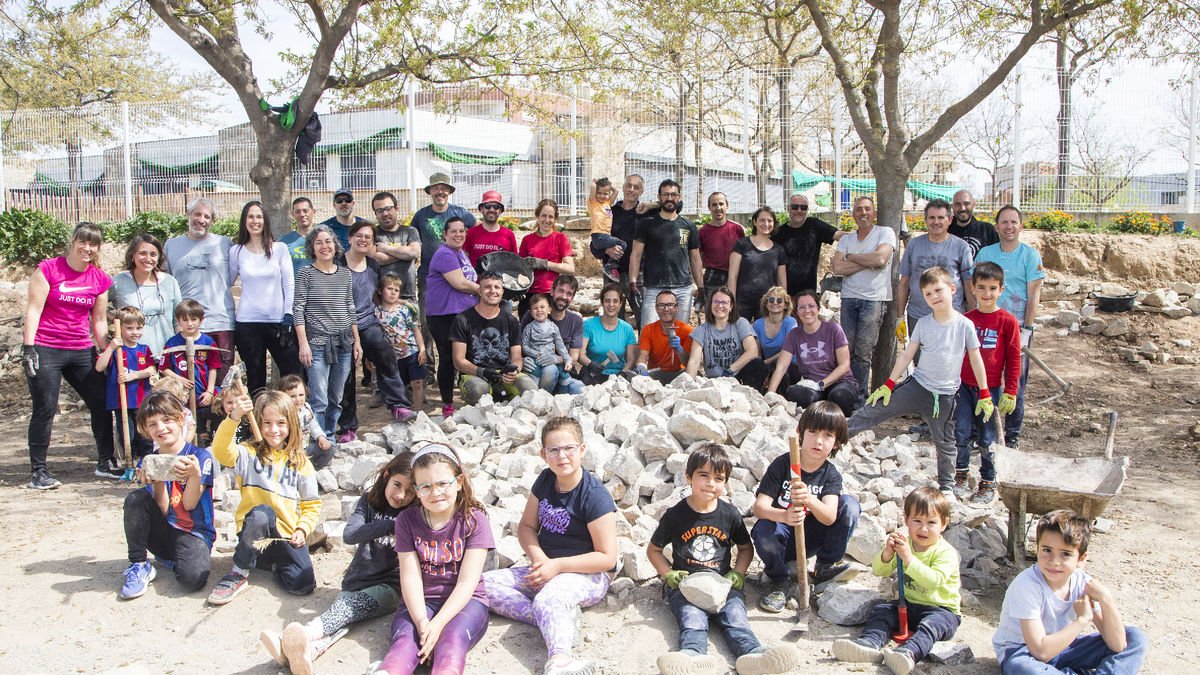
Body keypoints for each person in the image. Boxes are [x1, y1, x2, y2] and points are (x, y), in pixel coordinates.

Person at [650, 444, 801, 675]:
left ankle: (754, 656)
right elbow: (653, 550)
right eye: (703, 475)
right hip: (687, 586)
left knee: (736, 618)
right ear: (688, 477)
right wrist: (668, 574)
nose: (711, 483)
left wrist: (738, 573)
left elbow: (745, 548)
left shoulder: (729, 514)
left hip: (723, 583)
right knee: (692, 621)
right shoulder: (676, 515)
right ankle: (692, 658)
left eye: (718, 478)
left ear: (726, 483)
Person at [485, 417, 617, 675]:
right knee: (481, 586)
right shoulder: (546, 480)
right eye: (553, 450)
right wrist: (539, 560)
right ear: (543, 454)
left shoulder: (594, 495)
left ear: (582, 449)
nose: (562, 456)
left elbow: (607, 558)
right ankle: (559, 620)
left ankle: (560, 660)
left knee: (548, 598)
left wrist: (556, 567)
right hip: (546, 566)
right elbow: (526, 527)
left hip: (586, 574)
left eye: (569, 448)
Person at [262, 452, 416, 674]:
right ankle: (309, 651)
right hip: (356, 579)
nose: (401, 495)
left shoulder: (413, 515)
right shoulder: (370, 500)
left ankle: (300, 636)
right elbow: (350, 534)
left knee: (347, 609)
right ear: (386, 475)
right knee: (343, 615)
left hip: (390, 587)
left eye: (410, 490)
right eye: (397, 485)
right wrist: (389, 526)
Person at [848, 267, 993, 494]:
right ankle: (836, 440)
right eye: (928, 294)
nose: (934, 297)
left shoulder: (964, 324)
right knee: (874, 410)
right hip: (917, 386)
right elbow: (907, 355)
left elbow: (976, 359)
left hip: (944, 396)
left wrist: (984, 392)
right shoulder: (924, 323)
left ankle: (946, 487)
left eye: (938, 290)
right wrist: (889, 383)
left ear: (952, 289)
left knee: (945, 441)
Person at [381, 443, 494, 675]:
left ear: (459, 482)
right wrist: (423, 623)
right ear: (417, 489)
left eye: (443, 483)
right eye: (425, 486)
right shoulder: (406, 521)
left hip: (467, 602)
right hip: (420, 603)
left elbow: (466, 583)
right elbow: (410, 577)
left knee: (450, 643)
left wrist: (437, 625)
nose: (435, 493)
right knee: (404, 645)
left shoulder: (475, 520)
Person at [992, 510, 1146, 675]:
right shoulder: (1027, 586)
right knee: (1023, 668)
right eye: (1047, 550)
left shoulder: (1082, 582)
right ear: (1036, 549)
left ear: (1081, 559)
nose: (1054, 561)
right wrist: (1082, 620)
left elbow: (1117, 645)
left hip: (1064, 648)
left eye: (1065, 554)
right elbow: (1040, 652)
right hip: (1023, 652)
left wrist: (1106, 598)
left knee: (1134, 638)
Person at [23, 221, 116, 488]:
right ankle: (38, 472)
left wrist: (107, 349)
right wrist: (29, 348)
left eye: (93, 244)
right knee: (45, 408)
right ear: (73, 241)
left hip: (80, 348)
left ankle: (105, 463)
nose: (87, 248)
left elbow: (98, 321)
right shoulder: (48, 269)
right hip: (46, 346)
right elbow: (33, 310)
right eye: (83, 242)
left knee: (101, 402)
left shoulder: (99, 279)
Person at [207, 390, 320, 605]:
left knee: (303, 583)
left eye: (280, 423)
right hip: (254, 530)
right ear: (257, 422)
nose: (273, 430)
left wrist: (302, 528)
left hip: (285, 533)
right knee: (261, 514)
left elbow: (311, 504)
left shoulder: (300, 462)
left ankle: (269, 563)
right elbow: (220, 450)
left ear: (291, 424)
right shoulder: (248, 453)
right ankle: (239, 572)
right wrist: (234, 417)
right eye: (266, 423)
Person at [832, 487, 961, 675]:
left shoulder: (945, 552)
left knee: (931, 626)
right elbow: (878, 570)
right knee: (882, 611)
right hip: (907, 605)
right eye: (917, 521)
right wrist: (887, 553)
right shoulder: (904, 544)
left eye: (931, 522)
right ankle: (870, 643)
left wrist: (909, 558)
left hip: (942, 610)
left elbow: (933, 582)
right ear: (907, 519)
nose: (923, 528)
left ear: (943, 524)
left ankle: (909, 653)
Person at [752, 402, 861, 613]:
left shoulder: (830, 475)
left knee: (849, 505)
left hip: (812, 537)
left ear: (837, 443)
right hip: (781, 536)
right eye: (813, 432)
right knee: (763, 529)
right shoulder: (783, 464)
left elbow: (830, 517)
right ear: (800, 432)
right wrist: (784, 516)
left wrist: (809, 499)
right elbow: (760, 507)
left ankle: (825, 567)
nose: (819, 441)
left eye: (828, 436)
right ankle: (779, 580)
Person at [118, 391, 216, 599]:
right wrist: (158, 479)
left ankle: (176, 560)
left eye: (166, 420)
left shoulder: (199, 456)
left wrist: (195, 475)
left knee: (193, 580)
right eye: (152, 424)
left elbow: (189, 505)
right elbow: (163, 510)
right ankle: (139, 563)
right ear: (146, 429)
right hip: (164, 529)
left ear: (181, 419)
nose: (160, 428)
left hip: (193, 532)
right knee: (136, 499)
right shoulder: (149, 461)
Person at [338, 221, 417, 441]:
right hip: (342, 326)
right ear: (350, 238)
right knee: (346, 374)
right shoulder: (338, 265)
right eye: (359, 236)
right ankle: (347, 427)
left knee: (384, 353)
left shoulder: (373, 265)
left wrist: (402, 304)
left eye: (368, 238)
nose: (363, 240)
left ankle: (398, 405)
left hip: (368, 323)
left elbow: (377, 295)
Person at [975, 205, 1045, 449]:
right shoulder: (985, 254)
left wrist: (1027, 328)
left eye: (1014, 222)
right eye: (1004, 222)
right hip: (988, 327)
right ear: (997, 226)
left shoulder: (1030, 256)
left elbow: (1033, 295)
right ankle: (985, 432)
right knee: (986, 378)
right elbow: (977, 291)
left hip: (1016, 327)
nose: (1009, 227)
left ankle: (1012, 435)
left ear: (1021, 226)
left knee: (1015, 382)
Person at [954, 262, 1021, 504]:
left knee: (987, 437)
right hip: (963, 386)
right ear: (973, 289)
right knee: (961, 432)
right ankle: (960, 476)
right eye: (981, 288)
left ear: (1001, 289)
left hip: (990, 389)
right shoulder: (966, 320)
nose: (987, 293)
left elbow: (1014, 358)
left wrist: (1010, 391)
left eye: (993, 288)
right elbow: (955, 353)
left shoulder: (1007, 321)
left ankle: (988, 482)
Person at [292, 225, 360, 437]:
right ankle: (318, 439)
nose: (324, 246)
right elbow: (298, 309)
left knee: (336, 398)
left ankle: (330, 435)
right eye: (319, 242)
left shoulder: (345, 274)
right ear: (312, 247)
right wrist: (303, 344)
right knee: (319, 399)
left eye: (328, 241)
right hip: (318, 344)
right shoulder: (306, 273)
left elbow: (350, 308)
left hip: (344, 344)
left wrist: (357, 341)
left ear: (335, 245)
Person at [228, 200, 302, 394]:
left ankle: (293, 419)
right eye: (250, 217)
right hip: (248, 323)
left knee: (292, 375)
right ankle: (259, 422)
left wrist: (288, 315)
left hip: (278, 322)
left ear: (265, 220)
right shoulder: (236, 251)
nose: (255, 221)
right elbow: (226, 281)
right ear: (244, 220)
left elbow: (289, 283)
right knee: (255, 379)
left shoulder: (279, 249)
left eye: (259, 216)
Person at [412, 173, 477, 379]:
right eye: (435, 188)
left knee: (459, 325)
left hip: (458, 275)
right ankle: (429, 368)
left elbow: (474, 233)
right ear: (430, 191)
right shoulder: (421, 216)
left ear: (449, 191)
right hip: (429, 278)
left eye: (444, 188)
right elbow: (414, 240)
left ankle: (459, 369)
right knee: (427, 322)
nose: (440, 192)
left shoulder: (461, 214)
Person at [164, 197, 236, 383]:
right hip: (187, 323)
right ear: (188, 214)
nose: (202, 220)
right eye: (197, 214)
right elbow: (168, 282)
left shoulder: (224, 244)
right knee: (191, 378)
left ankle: (222, 413)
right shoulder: (172, 245)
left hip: (220, 321)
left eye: (207, 216)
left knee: (222, 380)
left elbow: (232, 276)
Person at [831, 196, 896, 390]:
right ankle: (846, 392)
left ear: (875, 213)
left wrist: (851, 257)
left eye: (867, 209)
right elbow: (837, 268)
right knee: (846, 349)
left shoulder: (885, 233)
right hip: (849, 298)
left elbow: (880, 259)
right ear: (853, 214)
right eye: (859, 209)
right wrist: (868, 262)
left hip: (874, 300)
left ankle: (859, 396)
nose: (863, 213)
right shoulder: (847, 239)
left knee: (863, 352)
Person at [767, 290, 859, 416]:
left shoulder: (833, 329)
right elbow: (781, 367)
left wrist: (821, 384)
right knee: (795, 394)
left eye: (811, 306)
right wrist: (769, 396)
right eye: (802, 307)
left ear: (818, 309)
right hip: (812, 384)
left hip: (840, 382)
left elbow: (844, 365)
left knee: (839, 397)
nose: (807, 310)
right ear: (797, 312)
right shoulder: (794, 335)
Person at [450, 273, 536, 405]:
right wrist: (480, 371)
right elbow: (458, 360)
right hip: (474, 373)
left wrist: (515, 370)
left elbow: (517, 357)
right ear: (479, 290)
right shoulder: (462, 319)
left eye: (497, 287)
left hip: (504, 373)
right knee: (478, 389)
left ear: (502, 291)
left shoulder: (511, 321)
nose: (493, 291)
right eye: (488, 287)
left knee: (530, 388)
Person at [627, 179, 703, 327]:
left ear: (679, 197)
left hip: (683, 289)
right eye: (666, 194)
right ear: (659, 197)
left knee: (679, 335)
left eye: (673, 195)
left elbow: (695, 258)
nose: (669, 198)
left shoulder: (689, 226)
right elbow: (635, 255)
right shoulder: (646, 224)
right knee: (649, 333)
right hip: (653, 288)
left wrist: (701, 288)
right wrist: (633, 283)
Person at [896, 199, 975, 341]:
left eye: (941, 217)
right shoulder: (914, 245)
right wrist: (899, 317)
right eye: (932, 217)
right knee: (920, 361)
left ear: (950, 220)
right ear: (925, 220)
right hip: (918, 316)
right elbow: (904, 283)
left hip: (952, 316)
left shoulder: (961, 247)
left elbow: (968, 284)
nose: (936, 222)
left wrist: (974, 316)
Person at [425, 217, 479, 418]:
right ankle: (447, 404)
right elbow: (460, 283)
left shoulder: (461, 253)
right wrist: (485, 290)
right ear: (444, 234)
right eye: (453, 231)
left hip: (462, 314)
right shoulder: (445, 254)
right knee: (448, 358)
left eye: (462, 231)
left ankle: (468, 397)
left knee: (467, 357)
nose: (458, 235)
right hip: (444, 315)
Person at [96, 306, 156, 460]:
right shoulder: (116, 350)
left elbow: (151, 370)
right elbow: (99, 367)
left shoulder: (144, 349)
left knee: (144, 433)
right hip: (121, 401)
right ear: (119, 328)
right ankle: (130, 461)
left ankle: (146, 461)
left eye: (139, 328)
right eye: (129, 328)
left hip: (141, 399)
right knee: (126, 434)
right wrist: (111, 347)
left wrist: (134, 376)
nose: (135, 332)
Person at [110, 232, 182, 357]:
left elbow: (178, 321)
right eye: (142, 253)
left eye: (153, 254)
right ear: (133, 255)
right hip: (134, 357)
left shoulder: (170, 282)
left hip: (167, 355)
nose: (148, 259)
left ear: (159, 257)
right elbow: (96, 308)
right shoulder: (119, 281)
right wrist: (117, 319)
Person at [159, 299, 223, 439]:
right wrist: (179, 379)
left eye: (194, 319)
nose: (190, 324)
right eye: (185, 320)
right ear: (178, 320)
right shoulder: (172, 343)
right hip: (182, 397)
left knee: (219, 412)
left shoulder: (208, 342)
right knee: (192, 429)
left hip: (204, 394)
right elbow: (164, 369)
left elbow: (213, 367)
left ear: (201, 320)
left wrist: (210, 391)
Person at [592, 174, 649, 328]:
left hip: (639, 275)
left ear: (642, 191)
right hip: (612, 275)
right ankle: (619, 352)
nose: (631, 190)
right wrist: (606, 250)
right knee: (614, 319)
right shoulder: (610, 211)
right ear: (623, 187)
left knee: (643, 318)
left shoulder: (646, 214)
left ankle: (642, 352)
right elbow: (595, 242)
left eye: (636, 187)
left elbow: (678, 206)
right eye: (628, 185)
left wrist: (653, 205)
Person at [685, 288, 769, 392]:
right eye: (716, 301)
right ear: (710, 304)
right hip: (715, 383)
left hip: (739, 378)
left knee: (758, 364)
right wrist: (687, 386)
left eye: (724, 302)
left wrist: (729, 371)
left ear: (731, 306)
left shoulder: (741, 323)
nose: (720, 305)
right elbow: (694, 361)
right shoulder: (701, 330)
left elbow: (752, 351)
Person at [772, 193, 844, 297]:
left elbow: (839, 235)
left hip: (809, 293)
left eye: (803, 207)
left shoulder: (815, 225)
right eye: (795, 207)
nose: (799, 211)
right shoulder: (778, 234)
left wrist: (865, 235)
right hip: (785, 293)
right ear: (788, 208)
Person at [375, 273, 428, 411]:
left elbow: (415, 329)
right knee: (400, 384)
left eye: (396, 290)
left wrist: (422, 349)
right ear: (381, 291)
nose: (393, 293)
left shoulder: (405, 310)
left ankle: (418, 412)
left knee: (417, 382)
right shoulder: (376, 313)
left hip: (412, 351)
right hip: (393, 355)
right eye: (389, 289)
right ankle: (403, 410)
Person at [521, 275, 586, 385]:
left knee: (579, 388)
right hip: (535, 366)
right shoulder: (531, 316)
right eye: (561, 291)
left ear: (572, 298)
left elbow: (574, 358)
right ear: (552, 291)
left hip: (564, 371)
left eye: (569, 294)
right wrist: (521, 360)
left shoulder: (576, 321)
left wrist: (556, 359)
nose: (564, 297)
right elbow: (519, 345)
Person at [728, 207, 787, 323]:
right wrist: (731, 301)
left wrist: (782, 302)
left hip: (768, 303)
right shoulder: (742, 244)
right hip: (742, 302)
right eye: (762, 220)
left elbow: (782, 282)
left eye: (770, 221)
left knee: (764, 338)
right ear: (755, 222)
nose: (766, 224)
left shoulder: (779, 250)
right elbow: (732, 276)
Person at [519, 198, 576, 317]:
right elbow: (520, 269)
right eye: (543, 216)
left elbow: (570, 268)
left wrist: (545, 264)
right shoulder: (527, 240)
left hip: (550, 294)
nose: (547, 220)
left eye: (551, 217)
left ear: (555, 219)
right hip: (529, 294)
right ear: (537, 217)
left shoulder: (560, 238)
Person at [579, 283, 638, 385]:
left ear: (620, 304)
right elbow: (580, 354)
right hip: (592, 374)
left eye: (615, 301)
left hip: (617, 375)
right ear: (602, 303)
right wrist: (590, 364)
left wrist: (623, 374)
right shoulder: (588, 325)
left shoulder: (627, 329)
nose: (611, 305)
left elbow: (631, 359)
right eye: (607, 301)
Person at [278, 374, 337, 471]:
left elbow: (313, 425)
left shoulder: (306, 408)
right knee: (290, 463)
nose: (298, 399)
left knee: (330, 449)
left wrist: (321, 437)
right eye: (293, 396)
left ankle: (314, 470)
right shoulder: (282, 413)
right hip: (289, 451)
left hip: (305, 447)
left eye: (301, 395)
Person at [634, 289, 693, 384]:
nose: (666, 309)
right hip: (655, 374)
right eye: (661, 305)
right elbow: (642, 357)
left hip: (680, 373)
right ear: (656, 308)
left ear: (677, 308)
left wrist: (680, 350)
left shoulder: (687, 330)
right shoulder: (648, 330)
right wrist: (641, 367)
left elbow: (690, 364)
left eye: (670, 305)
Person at [698, 192, 746, 308]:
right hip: (712, 276)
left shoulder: (737, 229)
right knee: (714, 311)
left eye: (721, 204)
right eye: (714, 205)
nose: (718, 208)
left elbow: (744, 253)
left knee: (734, 310)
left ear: (727, 206)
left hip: (736, 275)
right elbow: (698, 258)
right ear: (709, 207)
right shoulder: (702, 232)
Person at [371, 191, 422, 300]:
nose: (385, 213)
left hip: (408, 297)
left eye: (388, 208)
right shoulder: (372, 233)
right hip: (381, 299)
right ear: (376, 214)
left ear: (396, 209)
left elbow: (414, 252)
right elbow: (376, 259)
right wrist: (404, 254)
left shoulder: (410, 231)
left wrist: (386, 248)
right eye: (379, 210)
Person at [462, 190, 517, 268]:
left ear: (500, 210)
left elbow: (514, 262)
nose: (492, 210)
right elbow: (463, 259)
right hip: (474, 280)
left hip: (500, 279)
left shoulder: (509, 235)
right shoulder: (471, 233)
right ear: (481, 209)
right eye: (487, 206)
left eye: (496, 207)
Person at [752, 286, 797, 378]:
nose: (775, 303)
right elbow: (758, 354)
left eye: (779, 300)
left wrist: (766, 363)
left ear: (785, 305)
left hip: (790, 365)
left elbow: (789, 350)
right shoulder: (758, 324)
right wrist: (760, 366)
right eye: (771, 300)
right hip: (767, 365)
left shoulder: (791, 322)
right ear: (766, 303)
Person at [587, 177, 622, 281]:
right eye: (600, 193)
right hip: (598, 235)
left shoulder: (607, 204)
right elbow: (593, 188)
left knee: (619, 247)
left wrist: (608, 184)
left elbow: (616, 191)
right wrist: (595, 182)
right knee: (622, 244)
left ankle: (610, 266)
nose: (602, 196)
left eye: (605, 193)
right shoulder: (593, 204)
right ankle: (610, 266)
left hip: (606, 236)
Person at [948, 189, 998, 257]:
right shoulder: (946, 230)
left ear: (974, 204)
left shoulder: (987, 230)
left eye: (966, 204)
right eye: (957, 204)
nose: (962, 208)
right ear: (952, 206)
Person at [281, 197, 317, 279]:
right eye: (298, 211)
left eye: (305, 211)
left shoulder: (323, 240)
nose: (302, 214)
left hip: (318, 290)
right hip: (294, 290)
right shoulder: (284, 242)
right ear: (293, 215)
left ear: (313, 212)